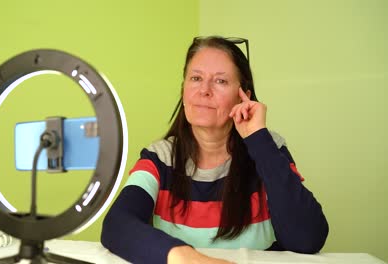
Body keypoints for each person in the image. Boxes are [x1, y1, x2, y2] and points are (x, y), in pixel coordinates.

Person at [101, 36, 329, 264]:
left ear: (244, 97)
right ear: (183, 90)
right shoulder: (160, 157)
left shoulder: (269, 148)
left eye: (220, 81)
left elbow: (306, 239)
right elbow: (117, 224)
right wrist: (188, 259)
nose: (204, 90)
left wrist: (258, 139)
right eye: (196, 78)